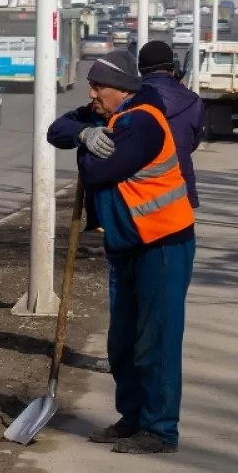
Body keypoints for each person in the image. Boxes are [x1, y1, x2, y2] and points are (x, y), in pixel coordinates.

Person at [47, 50, 195, 455]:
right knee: (123, 341)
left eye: (99, 86)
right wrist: (81, 134)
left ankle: (161, 429)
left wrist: (83, 145)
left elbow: (98, 172)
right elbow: (55, 129)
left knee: (156, 340)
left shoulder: (143, 123)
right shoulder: (111, 115)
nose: (91, 93)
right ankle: (132, 418)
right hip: (127, 244)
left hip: (162, 244)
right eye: (92, 85)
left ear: (123, 90)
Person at [137, 40, 203, 208]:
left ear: (140, 68)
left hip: (140, 192)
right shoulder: (193, 100)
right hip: (180, 189)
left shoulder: (131, 97)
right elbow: (193, 143)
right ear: (172, 67)